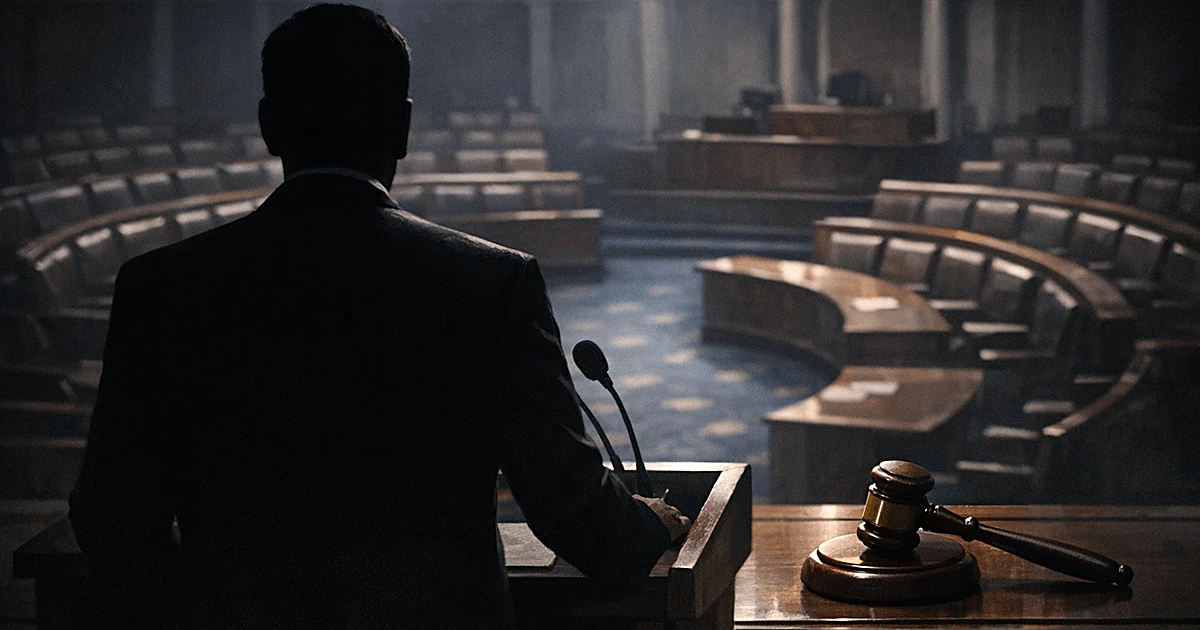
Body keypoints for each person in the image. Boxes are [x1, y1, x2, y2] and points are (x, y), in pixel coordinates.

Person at [68, 4, 689, 628]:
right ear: (403, 128)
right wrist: (645, 524)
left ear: (268, 127)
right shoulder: (491, 284)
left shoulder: (162, 288)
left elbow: (110, 519)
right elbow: (574, 512)